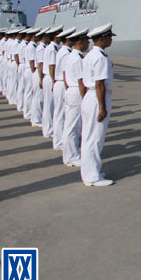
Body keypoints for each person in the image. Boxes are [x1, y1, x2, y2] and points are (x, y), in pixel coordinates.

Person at [80, 24, 115, 186]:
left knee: (88, 137)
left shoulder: (88, 56)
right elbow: (100, 84)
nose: (111, 40)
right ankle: (92, 177)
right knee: (95, 138)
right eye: (109, 37)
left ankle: (90, 172)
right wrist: (102, 107)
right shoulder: (100, 58)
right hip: (97, 98)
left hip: (89, 96)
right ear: (102, 39)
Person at [63, 29, 89, 167]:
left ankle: (70, 154)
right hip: (77, 92)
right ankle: (71, 156)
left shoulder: (71, 56)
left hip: (71, 91)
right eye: (86, 40)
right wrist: (84, 99)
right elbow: (81, 81)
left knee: (71, 125)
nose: (88, 42)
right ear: (80, 41)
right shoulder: (78, 58)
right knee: (73, 127)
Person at [52, 27, 76, 151]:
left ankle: (59, 140)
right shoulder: (66, 53)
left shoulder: (62, 51)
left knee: (60, 114)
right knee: (62, 116)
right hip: (63, 84)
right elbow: (66, 73)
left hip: (61, 83)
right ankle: (60, 142)